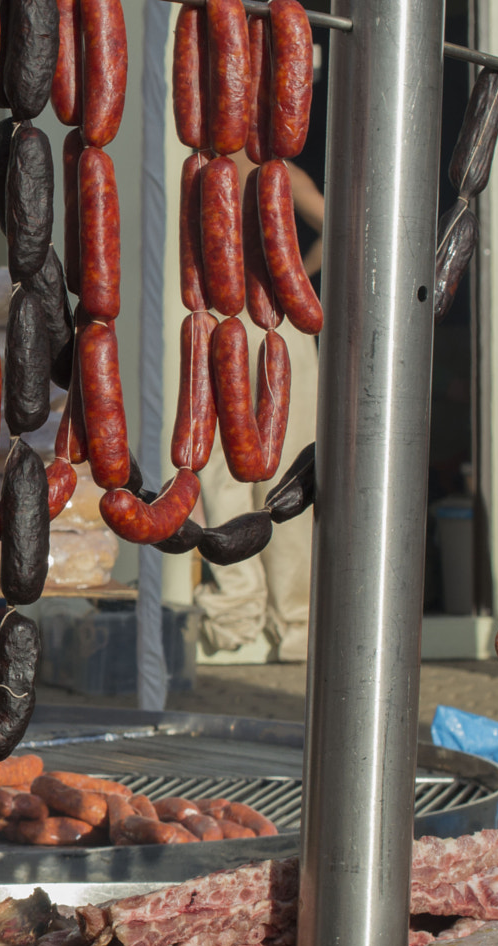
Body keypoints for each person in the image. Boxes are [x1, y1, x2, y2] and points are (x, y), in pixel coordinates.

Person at [195, 156, 324, 664]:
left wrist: (292, 281)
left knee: (231, 468)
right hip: (275, 321)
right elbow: (333, 225)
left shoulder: (209, 166)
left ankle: (239, 614)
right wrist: (295, 279)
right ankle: (290, 625)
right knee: (282, 467)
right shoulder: (282, 172)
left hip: (231, 318)